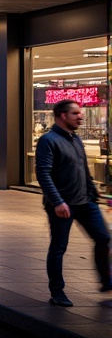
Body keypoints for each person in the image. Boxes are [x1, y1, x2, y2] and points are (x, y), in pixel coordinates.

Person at [35, 98, 112, 306]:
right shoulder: (48, 140)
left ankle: (107, 282)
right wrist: (57, 201)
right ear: (62, 116)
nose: (81, 116)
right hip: (62, 205)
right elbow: (43, 174)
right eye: (76, 113)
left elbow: (83, 169)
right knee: (59, 247)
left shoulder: (75, 139)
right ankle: (57, 292)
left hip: (86, 201)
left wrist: (94, 193)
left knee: (104, 238)